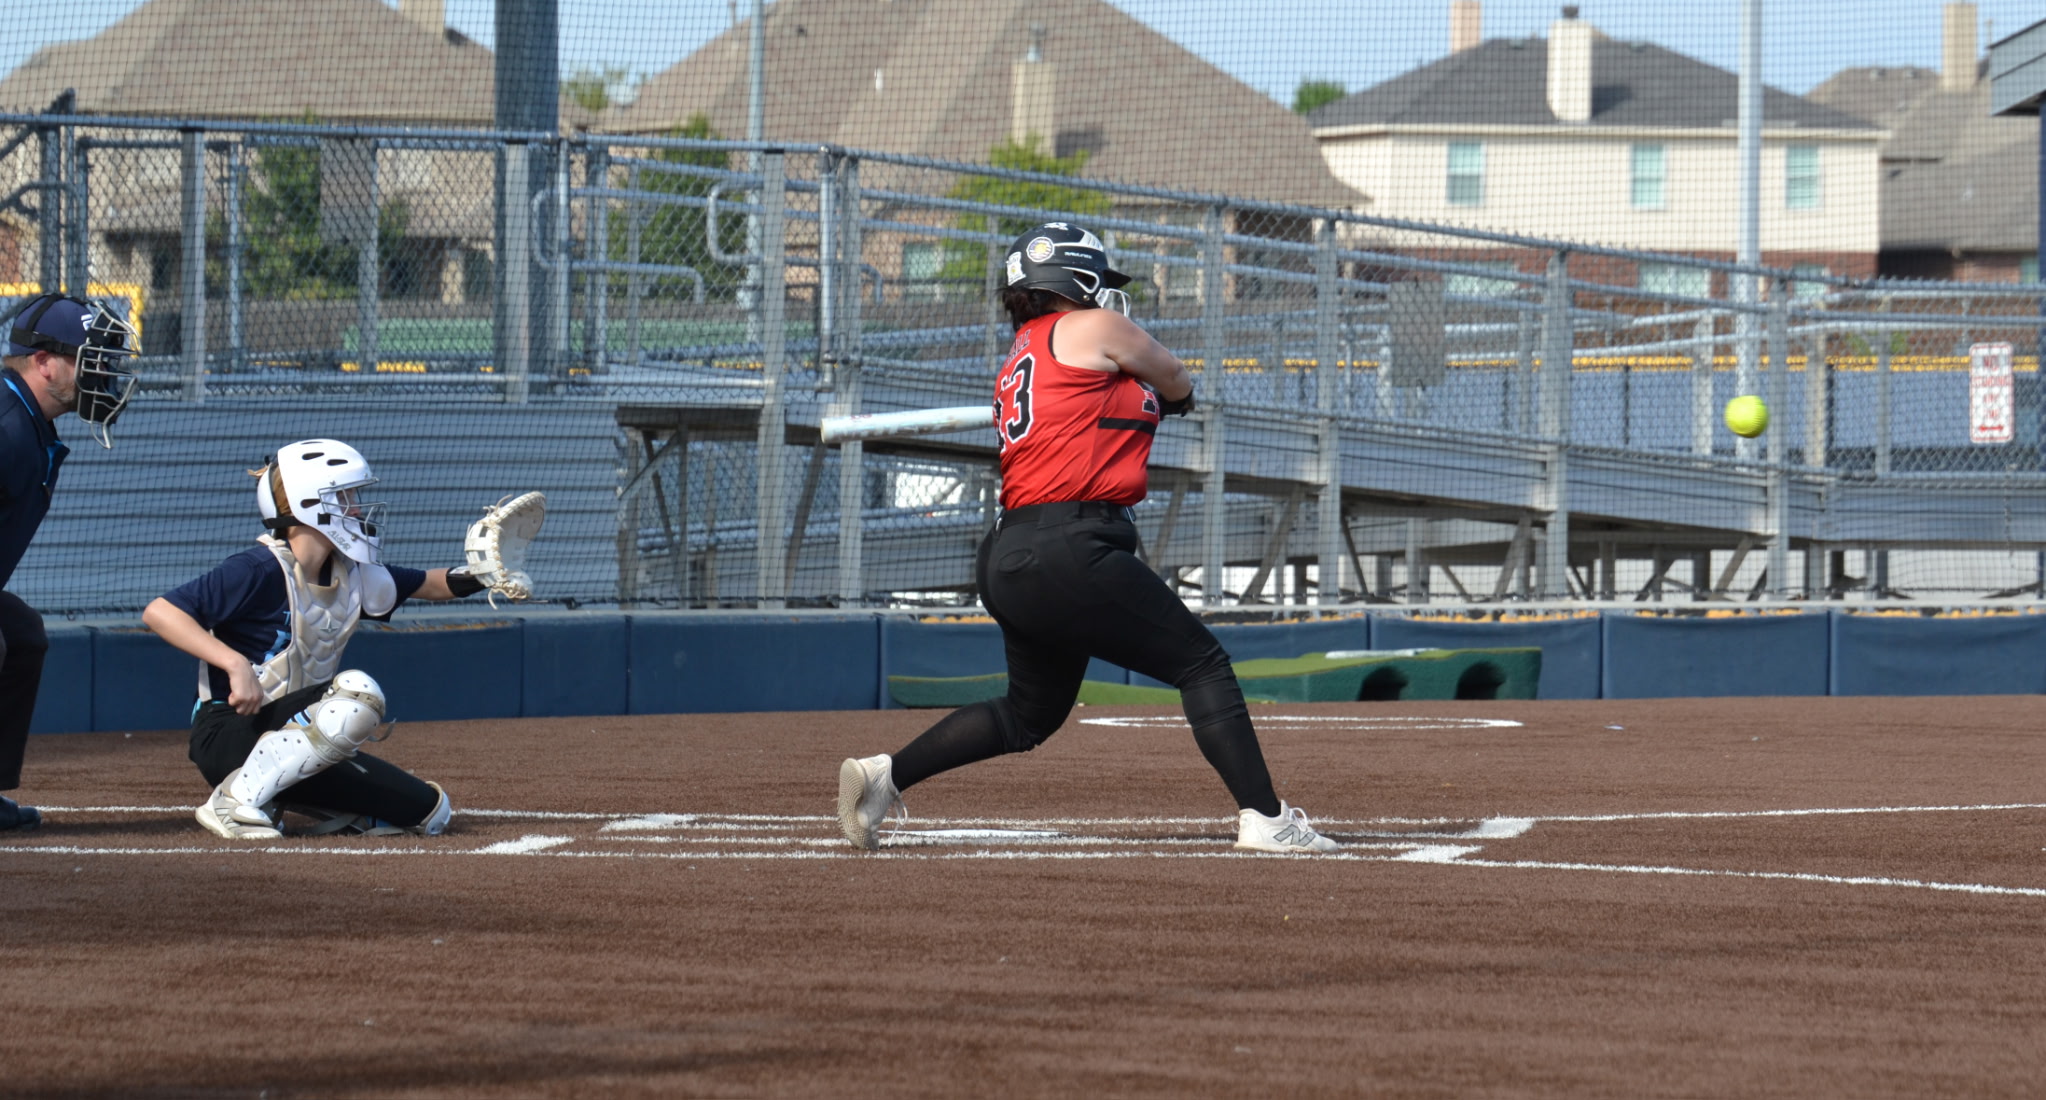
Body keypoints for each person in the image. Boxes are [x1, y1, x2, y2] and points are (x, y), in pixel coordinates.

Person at [836, 223, 1339, 854]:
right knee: (1202, 663)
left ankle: (885, 777)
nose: (1105, 295)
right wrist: (1171, 397)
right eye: (1096, 281)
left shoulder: (1020, 352)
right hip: (1071, 544)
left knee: (1029, 715)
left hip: (1009, 552)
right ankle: (1267, 819)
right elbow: (1178, 379)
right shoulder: (1092, 328)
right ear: (1073, 279)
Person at [142, 439, 505, 839]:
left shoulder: (351, 574)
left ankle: (313, 802)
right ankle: (233, 799)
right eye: (344, 497)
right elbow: (161, 612)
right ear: (308, 504)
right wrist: (234, 663)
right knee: (356, 695)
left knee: (430, 812)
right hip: (229, 733)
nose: (356, 509)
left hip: (298, 736)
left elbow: (430, 583)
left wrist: (488, 573)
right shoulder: (257, 568)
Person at [0, 292, 138, 833]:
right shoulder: (7, 424)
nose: (103, 375)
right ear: (43, 362)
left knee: (23, 633)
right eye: (93, 360)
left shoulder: (27, 424)